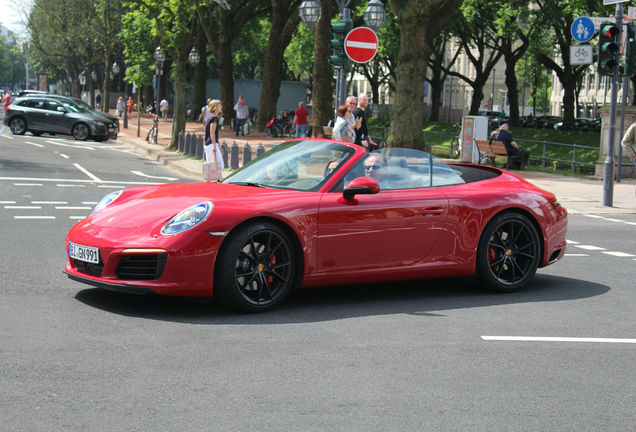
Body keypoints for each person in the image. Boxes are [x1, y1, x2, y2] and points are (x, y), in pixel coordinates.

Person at [204, 99, 224, 169]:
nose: (221, 107)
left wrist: (219, 146)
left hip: (209, 143)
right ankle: (215, 179)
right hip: (211, 144)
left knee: (213, 165)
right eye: (220, 105)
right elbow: (212, 133)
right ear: (216, 107)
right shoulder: (214, 118)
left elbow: (213, 134)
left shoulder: (210, 116)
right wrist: (215, 146)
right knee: (219, 165)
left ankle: (214, 179)